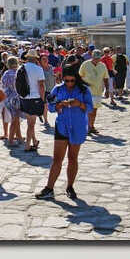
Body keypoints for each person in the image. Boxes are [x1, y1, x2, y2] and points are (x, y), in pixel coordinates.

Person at [38, 67, 92, 202]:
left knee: (73, 158)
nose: (69, 83)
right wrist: (58, 106)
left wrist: (79, 104)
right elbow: (50, 107)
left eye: (72, 81)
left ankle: (70, 186)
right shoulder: (57, 89)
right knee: (57, 159)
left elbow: (90, 107)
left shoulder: (84, 90)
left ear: (76, 79)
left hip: (78, 127)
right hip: (62, 126)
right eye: (66, 81)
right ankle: (49, 188)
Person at [18, 50, 47, 146]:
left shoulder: (21, 68)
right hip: (35, 98)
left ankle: (34, 141)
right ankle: (27, 145)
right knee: (31, 123)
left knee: (30, 122)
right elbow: (41, 86)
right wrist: (42, 99)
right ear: (35, 58)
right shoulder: (38, 69)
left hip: (24, 97)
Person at [77, 50, 108, 136]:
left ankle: (91, 126)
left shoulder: (102, 66)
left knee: (94, 110)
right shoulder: (85, 64)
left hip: (98, 91)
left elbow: (105, 78)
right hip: (87, 92)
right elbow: (79, 76)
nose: (96, 60)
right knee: (87, 110)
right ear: (92, 57)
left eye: (98, 58)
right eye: (95, 58)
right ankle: (86, 127)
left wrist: (107, 90)